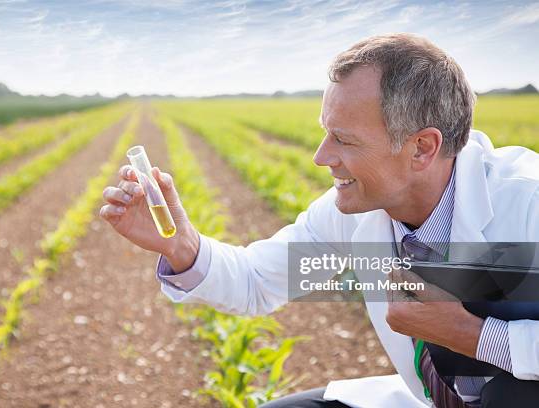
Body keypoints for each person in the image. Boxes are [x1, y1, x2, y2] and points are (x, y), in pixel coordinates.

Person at [100, 33, 539, 407]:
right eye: (325, 132)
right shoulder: (350, 213)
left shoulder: (527, 202)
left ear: (422, 147)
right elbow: (256, 282)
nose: (320, 157)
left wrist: (473, 336)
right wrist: (181, 244)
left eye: (343, 140)